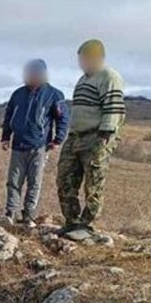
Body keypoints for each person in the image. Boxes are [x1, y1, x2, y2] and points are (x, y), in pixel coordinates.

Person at [56, 39, 125, 237]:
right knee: (65, 179)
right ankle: (72, 221)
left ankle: (87, 225)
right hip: (75, 137)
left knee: (93, 183)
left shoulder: (109, 76)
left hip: (97, 136)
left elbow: (114, 108)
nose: (82, 63)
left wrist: (105, 136)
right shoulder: (83, 79)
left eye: (85, 59)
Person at [0, 59, 69, 226]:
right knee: (14, 181)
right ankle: (10, 213)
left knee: (34, 182)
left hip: (39, 146)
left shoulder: (54, 94)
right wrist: (5, 137)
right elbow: (9, 116)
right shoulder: (17, 94)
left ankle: (28, 215)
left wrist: (58, 140)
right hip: (18, 145)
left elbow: (63, 118)